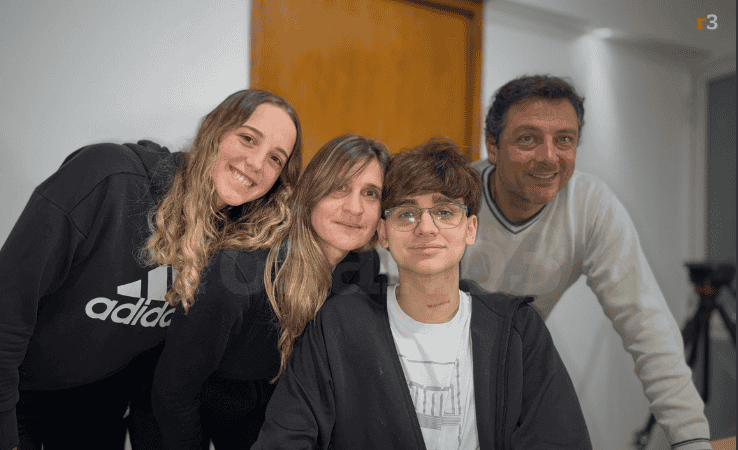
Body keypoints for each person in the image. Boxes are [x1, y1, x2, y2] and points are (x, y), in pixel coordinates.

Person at [0, 89, 303, 450]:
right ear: (214, 130)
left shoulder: (239, 242)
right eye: (247, 138)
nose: (256, 163)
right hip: (0, 391)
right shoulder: (107, 177)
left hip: (93, 404)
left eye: (275, 158)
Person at [252, 138, 592, 450]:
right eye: (407, 214)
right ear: (383, 233)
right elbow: (283, 441)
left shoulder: (517, 331)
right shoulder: (338, 324)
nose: (426, 228)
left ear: (470, 228)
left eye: (444, 212)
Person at [453, 74, 709, 449]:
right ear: (493, 146)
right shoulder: (453, 198)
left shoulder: (590, 207)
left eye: (564, 140)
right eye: (528, 139)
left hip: (514, 369)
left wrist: (692, 440)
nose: (548, 157)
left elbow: (648, 326)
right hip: (435, 366)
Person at [152, 134, 390, 450]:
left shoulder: (362, 266)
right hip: (179, 411)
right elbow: (173, 393)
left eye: (371, 193)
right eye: (339, 188)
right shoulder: (239, 273)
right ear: (311, 192)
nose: (355, 208)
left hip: (264, 405)